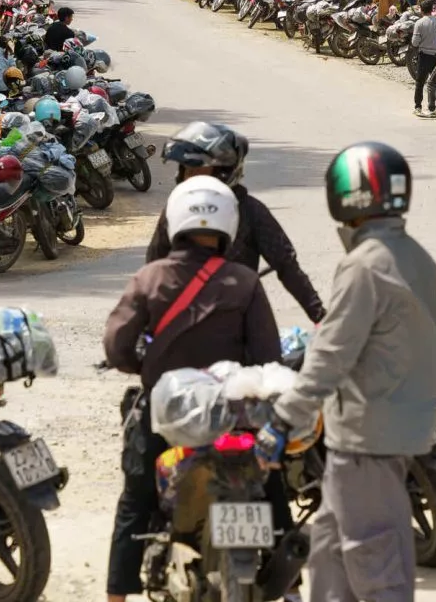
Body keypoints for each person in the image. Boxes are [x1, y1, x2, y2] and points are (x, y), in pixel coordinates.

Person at [255, 142, 436, 602]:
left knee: (376, 563)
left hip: (366, 439)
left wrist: (283, 420)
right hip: (394, 429)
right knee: (329, 555)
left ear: (346, 197)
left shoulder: (364, 266)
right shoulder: (416, 257)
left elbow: (330, 355)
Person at [103, 176, 282, 602]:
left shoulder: (150, 278)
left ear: (176, 222)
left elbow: (117, 347)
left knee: (136, 497)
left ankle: (116, 595)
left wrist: (147, 372)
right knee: (272, 485)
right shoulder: (245, 281)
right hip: (232, 418)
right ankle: (289, 583)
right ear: (229, 226)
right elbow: (268, 355)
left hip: (166, 416)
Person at [146, 122, 326, 324]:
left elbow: (286, 266)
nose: (188, 179)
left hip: (236, 325)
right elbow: (153, 270)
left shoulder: (251, 212)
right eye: (186, 170)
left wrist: (320, 318)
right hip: (182, 324)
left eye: (196, 171)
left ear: (223, 171)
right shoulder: (175, 211)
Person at [411, 0, 436, 117]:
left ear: (422, 10)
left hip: (424, 55)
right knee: (435, 82)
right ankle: (433, 108)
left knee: (420, 82)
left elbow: (415, 42)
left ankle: (418, 107)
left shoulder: (419, 23)